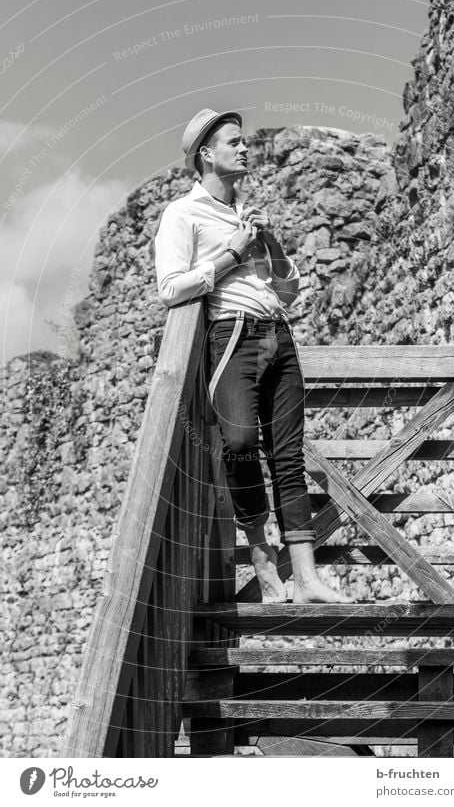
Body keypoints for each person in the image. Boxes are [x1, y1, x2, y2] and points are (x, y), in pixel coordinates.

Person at [154, 108, 352, 604]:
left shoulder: (247, 215)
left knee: (287, 458)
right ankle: (265, 567)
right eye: (233, 143)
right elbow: (170, 288)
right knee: (240, 443)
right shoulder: (183, 214)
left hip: (278, 336)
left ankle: (306, 582)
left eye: (244, 142)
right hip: (232, 336)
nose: (244, 149)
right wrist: (233, 254)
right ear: (206, 154)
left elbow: (290, 292)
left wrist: (270, 244)